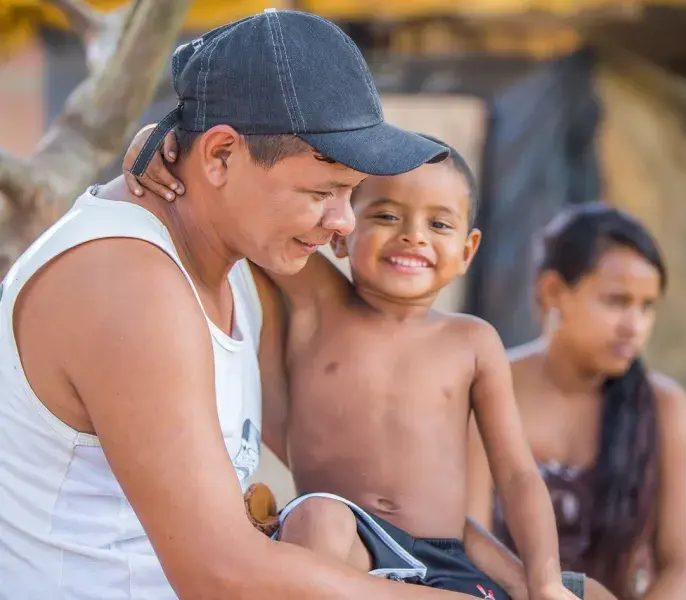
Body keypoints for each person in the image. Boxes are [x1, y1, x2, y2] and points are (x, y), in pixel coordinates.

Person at [0, 10, 494, 600]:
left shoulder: (236, 264)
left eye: (352, 193)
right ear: (220, 157)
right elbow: (222, 574)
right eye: (322, 191)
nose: (342, 223)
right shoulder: (129, 285)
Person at [124, 130, 620, 600]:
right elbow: (236, 211)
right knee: (319, 515)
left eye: (439, 224)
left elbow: (516, 475)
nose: (413, 237)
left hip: (444, 558)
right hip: (345, 548)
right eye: (386, 216)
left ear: (467, 250)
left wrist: (545, 579)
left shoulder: (472, 341)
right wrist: (156, 140)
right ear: (339, 232)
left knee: (591, 594)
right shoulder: (319, 304)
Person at [465, 203, 686, 600]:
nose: (635, 326)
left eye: (647, 307)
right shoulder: (491, 390)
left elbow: (684, 567)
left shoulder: (666, 408)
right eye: (616, 301)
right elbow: (466, 538)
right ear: (553, 291)